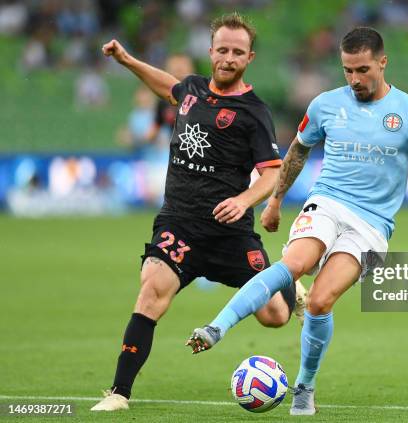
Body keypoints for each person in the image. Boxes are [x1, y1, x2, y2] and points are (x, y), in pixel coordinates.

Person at [186, 27, 408, 415]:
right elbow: (297, 154)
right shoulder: (324, 105)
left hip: (372, 227)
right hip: (327, 203)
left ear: (383, 63)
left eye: (362, 70)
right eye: (347, 70)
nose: (354, 79)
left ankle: (304, 386)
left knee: (319, 301)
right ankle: (217, 327)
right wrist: (275, 201)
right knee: (293, 265)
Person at [91, 12, 306, 412]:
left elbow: (272, 176)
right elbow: (167, 87)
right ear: (210, 51)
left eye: (237, 52)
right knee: (151, 290)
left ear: (249, 58)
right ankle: (119, 393)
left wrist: (244, 201)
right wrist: (127, 61)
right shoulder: (191, 89)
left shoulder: (254, 112)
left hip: (230, 232)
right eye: (222, 49)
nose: (228, 58)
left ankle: (291, 288)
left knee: (275, 316)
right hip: (180, 222)